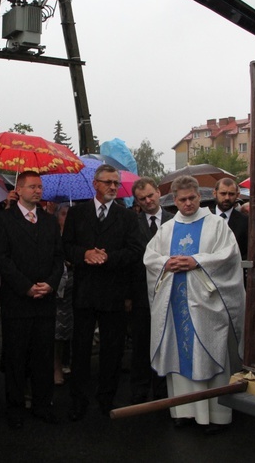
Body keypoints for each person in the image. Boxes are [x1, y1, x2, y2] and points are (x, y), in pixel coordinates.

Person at [144, 176, 245, 433]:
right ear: (174, 201)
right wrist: (166, 263)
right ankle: (184, 411)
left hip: (206, 308)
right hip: (176, 307)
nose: (187, 204)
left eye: (192, 198)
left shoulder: (216, 225)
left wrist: (196, 261)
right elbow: (150, 257)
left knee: (207, 356)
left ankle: (215, 415)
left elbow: (229, 256)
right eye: (182, 200)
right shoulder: (167, 228)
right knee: (178, 356)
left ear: (200, 197)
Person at [62, 164, 144, 419]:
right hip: (85, 293)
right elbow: (66, 247)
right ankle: (78, 400)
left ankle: (106, 399)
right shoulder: (77, 214)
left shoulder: (127, 216)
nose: (112, 187)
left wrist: (107, 258)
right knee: (81, 349)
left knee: (112, 350)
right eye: (107, 182)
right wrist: (84, 254)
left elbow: (134, 251)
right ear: (95, 184)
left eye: (115, 183)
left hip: (114, 293)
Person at [0, 171, 64, 428]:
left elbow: (58, 258)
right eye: (32, 186)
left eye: (40, 187)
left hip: (45, 300)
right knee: (15, 357)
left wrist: (50, 284)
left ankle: (43, 405)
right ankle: (15, 408)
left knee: (43, 356)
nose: (38, 191)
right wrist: (26, 287)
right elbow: (2, 259)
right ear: (19, 190)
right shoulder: (3, 220)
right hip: (17, 301)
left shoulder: (49, 221)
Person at [130, 177, 173, 404]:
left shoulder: (175, 220)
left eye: (150, 195)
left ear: (158, 192)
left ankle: (163, 386)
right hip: (139, 294)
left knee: (166, 341)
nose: (148, 201)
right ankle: (140, 386)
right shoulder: (131, 223)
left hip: (169, 293)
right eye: (142, 199)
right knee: (141, 342)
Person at [53, 202, 74, 386]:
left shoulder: (76, 236)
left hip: (73, 287)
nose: (66, 218)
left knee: (70, 327)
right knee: (56, 329)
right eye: (63, 214)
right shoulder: (52, 234)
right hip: (55, 286)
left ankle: (68, 361)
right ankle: (56, 365)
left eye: (69, 214)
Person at [211, 178, 248, 260]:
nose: (227, 198)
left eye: (231, 194)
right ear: (214, 193)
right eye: (223, 194)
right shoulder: (205, 217)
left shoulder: (245, 222)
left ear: (237, 195)